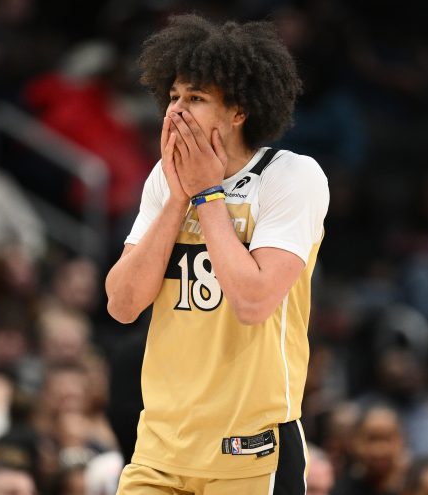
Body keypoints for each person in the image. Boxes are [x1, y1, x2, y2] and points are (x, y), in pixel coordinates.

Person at [105, 13, 329, 494]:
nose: (175, 111)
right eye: (173, 97)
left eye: (196, 98)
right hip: (161, 448)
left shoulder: (291, 177)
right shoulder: (165, 179)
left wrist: (208, 195)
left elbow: (252, 301)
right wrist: (178, 198)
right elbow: (122, 304)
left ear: (238, 111)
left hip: (250, 449)